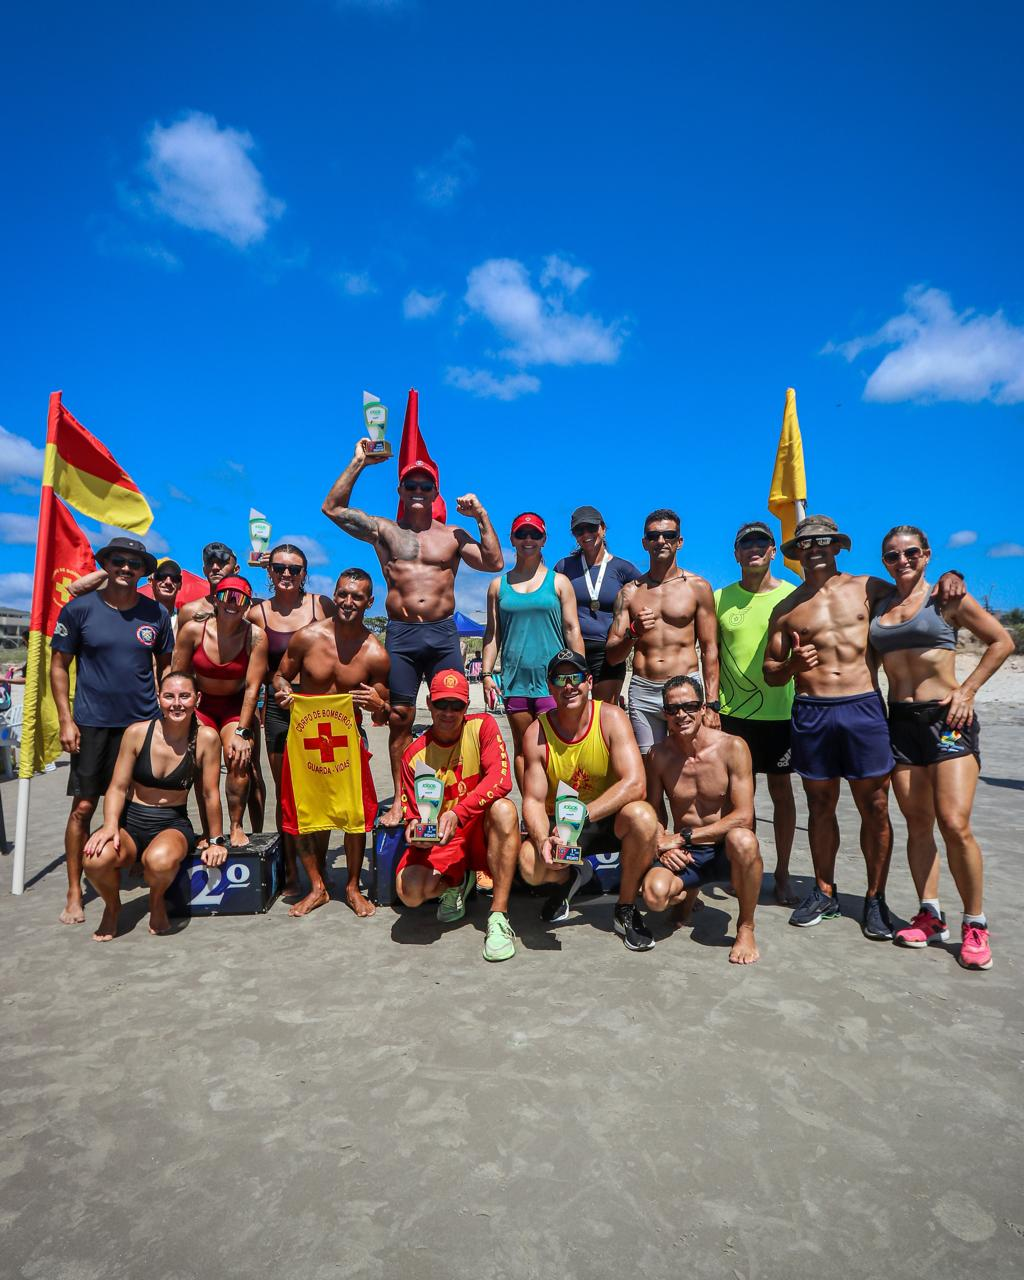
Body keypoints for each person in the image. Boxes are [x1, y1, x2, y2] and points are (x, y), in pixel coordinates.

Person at [763, 514, 964, 940]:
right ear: (796, 554)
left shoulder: (869, 588)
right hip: (811, 711)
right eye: (806, 544)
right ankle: (823, 890)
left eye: (824, 542)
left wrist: (951, 574)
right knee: (820, 805)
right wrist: (792, 665)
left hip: (863, 709)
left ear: (837, 547)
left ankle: (875, 899)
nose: (814, 549)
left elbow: (916, 594)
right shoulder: (786, 609)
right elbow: (771, 672)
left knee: (875, 805)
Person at [321, 441, 503, 827]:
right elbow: (332, 509)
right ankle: (402, 800)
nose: (418, 492)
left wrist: (481, 516)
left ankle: (458, 796)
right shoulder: (384, 530)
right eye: (411, 486)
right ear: (400, 492)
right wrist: (358, 463)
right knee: (401, 717)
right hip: (402, 635)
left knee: (455, 714)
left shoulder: (453, 534)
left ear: (435, 493)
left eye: (425, 487)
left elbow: (494, 562)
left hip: (441, 635)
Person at [871, 525, 1012, 970]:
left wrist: (968, 690)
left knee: (954, 823)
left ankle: (976, 922)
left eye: (911, 553)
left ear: (927, 555)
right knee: (917, 823)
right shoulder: (881, 605)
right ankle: (930, 913)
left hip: (947, 721)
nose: (902, 561)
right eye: (892, 556)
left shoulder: (946, 599)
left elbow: (1002, 641)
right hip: (901, 724)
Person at [50, 536, 175, 927]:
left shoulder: (154, 613)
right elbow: (58, 667)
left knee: (137, 803)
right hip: (92, 724)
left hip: (142, 725)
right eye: (118, 561)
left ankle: (128, 865)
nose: (126, 568)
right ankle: (75, 890)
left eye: (134, 563)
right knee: (84, 807)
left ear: (143, 571)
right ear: (105, 563)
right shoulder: (79, 610)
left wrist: (170, 716)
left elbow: (166, 668)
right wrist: (66, 720)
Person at [518, 649, 660, 951]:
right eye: (560, 678)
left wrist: (585, 813)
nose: (569, 685)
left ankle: (625, 908)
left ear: (589, 681)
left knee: (644, 816)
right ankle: (570, 876)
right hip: (564, 829)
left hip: (606, 818)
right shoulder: (536, 733)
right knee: (530, 865)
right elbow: (532, 799)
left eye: (576, 677)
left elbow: (635, 783)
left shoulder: (611, 718)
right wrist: (544, 839)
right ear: (550, 686)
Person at [272, 568, 390, 918]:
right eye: (342, 594)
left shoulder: (375, 652)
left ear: (369, 602)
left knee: (355, 813)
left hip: (348, 738)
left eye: (356, 596)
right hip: (308, 737)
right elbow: (281, 674)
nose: (348, 602)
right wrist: (284, 690)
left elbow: (383, 704)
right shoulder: (307, 637)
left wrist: (377, 703)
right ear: (334, 595)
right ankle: (318, 887)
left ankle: (352, 886)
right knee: (308, 812)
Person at [80, 671, 226, 940]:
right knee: (94, 858)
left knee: (158, 863)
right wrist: (109, 826)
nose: (177, 703)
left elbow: (209, 793)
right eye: (169, 696)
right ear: (159, 699)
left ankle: (156, 899)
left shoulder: (207, 738)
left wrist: (216, 839)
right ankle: (112, 907)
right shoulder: (137, 733)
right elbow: (117, 787)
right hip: (131, 821)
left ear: (197, 698)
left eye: (185, 696)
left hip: (172, 823)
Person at [396, 669, 520, 961]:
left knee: (505, 810)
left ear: (467, 705)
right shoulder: (413, 755)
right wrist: (416, 833)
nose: (448, 713)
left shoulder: (483, 726)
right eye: (441, 705)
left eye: (456, 705)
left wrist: (460, 813)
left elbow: (501, 780)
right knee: (409, 892)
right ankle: (455, 884)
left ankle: (499, 916)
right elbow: (412, 817)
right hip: (443, 840)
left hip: (478, 829)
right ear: (429, 703)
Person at [640, 675, 763, 964]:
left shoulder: (733, 747)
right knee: (654, 896)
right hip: (688, 853)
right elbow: (654, 808)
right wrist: (661, 841)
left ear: (704, 708)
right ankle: (688, 893)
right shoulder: (659, 754)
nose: (681, 715)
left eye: (689, 706)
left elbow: (744, 815)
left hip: (723, 848)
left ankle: (746, 926)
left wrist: (682, 837)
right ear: (665, 714)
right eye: (672, 709)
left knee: (744, 839)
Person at [714, 521, 798, 905]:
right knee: (734, 799)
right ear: (735, 553)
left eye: (761, 542)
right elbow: (708, 655)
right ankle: (740, 866)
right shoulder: (719, 599)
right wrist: (709, 706)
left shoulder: (793, 596)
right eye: (745, 542)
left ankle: (781, 872)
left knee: (781, 792)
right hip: (733, 716)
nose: (753, 548)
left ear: (772, 551)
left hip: (781, 714)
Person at [249, 543, 336, 893]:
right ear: (268, 571)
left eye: (295, 569)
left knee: (321, 791)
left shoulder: (321, 606)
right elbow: (248, 662)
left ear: (305, 573)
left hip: (319, 708)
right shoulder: (257, 613)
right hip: (279, 709)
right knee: (288, 792)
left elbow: (339, 647)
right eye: (280, 568)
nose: (287, 574)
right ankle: (289, 870)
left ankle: (319, 869)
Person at [482, 511, 584, 790]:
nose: (528, 539)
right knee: (523, 749)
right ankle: (532, 809)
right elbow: (493, 634)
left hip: (555, 683)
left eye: (535, 534)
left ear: (544, 540)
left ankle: (559, 811)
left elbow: (573, 630)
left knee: (559, 749)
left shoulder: (559, 582)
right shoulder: (497, 586)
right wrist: (487, 674)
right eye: (522, 534)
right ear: (512, 539)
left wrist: (582, 674)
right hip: (515, 683)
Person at [605, 508, 720, 754]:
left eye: (669, 535)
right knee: (649, 766)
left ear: (679, 541)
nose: (661, 541)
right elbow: (613, 656)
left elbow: (710, 649)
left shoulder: (698, 588)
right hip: (644, 690)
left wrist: (712, 705)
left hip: (687, 688)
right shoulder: (630, 592)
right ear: (644, 543)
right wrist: (633, 632)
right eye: (654, 536)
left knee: (692, 766)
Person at [172, 575, 268, 848]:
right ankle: (208, 830)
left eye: (241, 599)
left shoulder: (256, 636)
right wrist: (180, 718)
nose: (233, 603)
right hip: (202, 707)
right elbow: (179, 676)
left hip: (234, 707)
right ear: (215, 599)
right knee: (204, 766)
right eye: (227, 596)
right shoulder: (192, 630)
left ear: (248, 605)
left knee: (239, 759)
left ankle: (236, 826)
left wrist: (242, 731)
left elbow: (252, 688)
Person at [554, 505, 640, 703]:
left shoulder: (622, 568)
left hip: (608, 652)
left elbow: (648, 594)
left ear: (602, 528)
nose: (586, 534)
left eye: (591, 528)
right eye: (579, 530)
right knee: (575, 713)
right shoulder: (564, 566)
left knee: (604, 713)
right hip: (572, 648)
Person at [177, 542, 239, 627]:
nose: (215, 567)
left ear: (236, 569)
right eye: (210, 563)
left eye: (222, 562)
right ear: (204, 570)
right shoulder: (189, 612)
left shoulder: (247, 610)